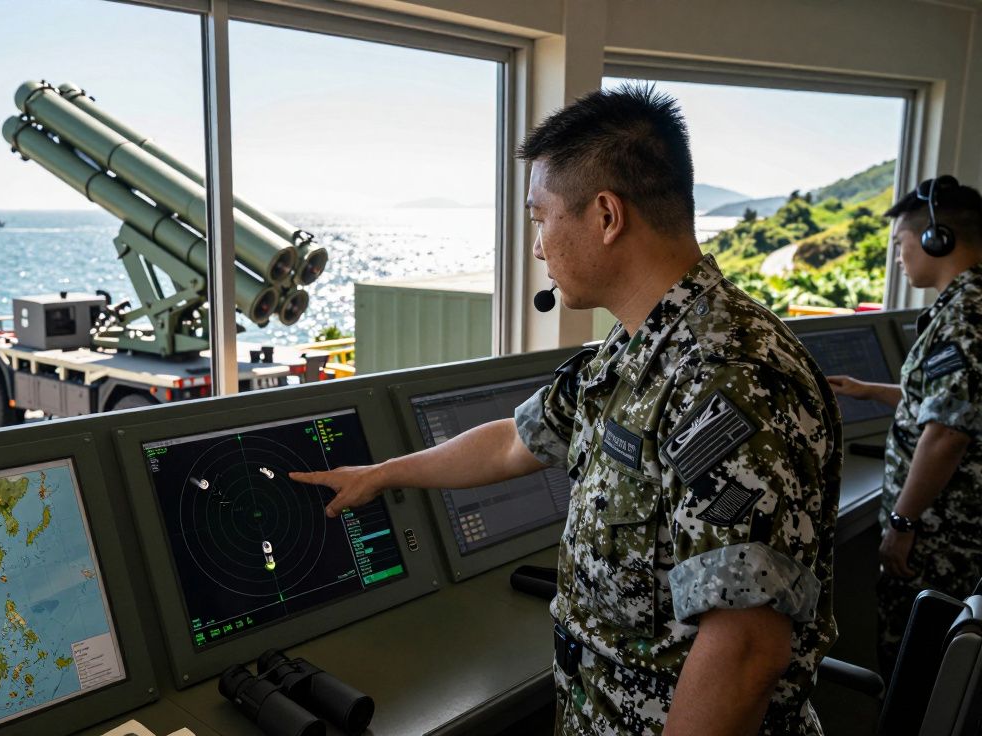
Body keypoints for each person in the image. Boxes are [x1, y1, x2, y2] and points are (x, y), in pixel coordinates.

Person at [291, 84, 841, 735]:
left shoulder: (728, 377)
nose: (536, 245)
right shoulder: (634, 348)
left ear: (606, 216)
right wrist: (382, 473)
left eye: (539, 217)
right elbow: (512, 442)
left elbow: (746, 651)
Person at [827, 176, 982, 675]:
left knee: (920, 664)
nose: (898, 257)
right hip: (954, 526)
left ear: (938, 239)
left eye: (901, 244)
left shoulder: (963, 315)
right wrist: (870, 390)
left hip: (941, 534)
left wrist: (902, 523)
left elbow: (947, 434)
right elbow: (950, 405)